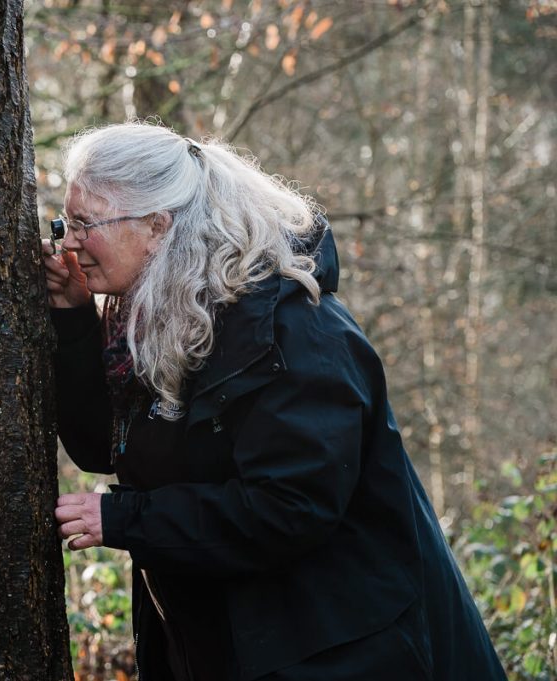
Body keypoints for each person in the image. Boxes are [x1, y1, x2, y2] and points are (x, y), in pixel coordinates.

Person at [42, 121, 507, 681]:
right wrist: (74, 322)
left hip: (340, 651)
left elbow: (289, 507)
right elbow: (107, 447)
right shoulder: (155, 318)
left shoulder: (293, 332)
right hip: (235, 647)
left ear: (158, 227)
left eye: (86, 224)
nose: (68, 243)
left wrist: (128, 519)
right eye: (65, 223)